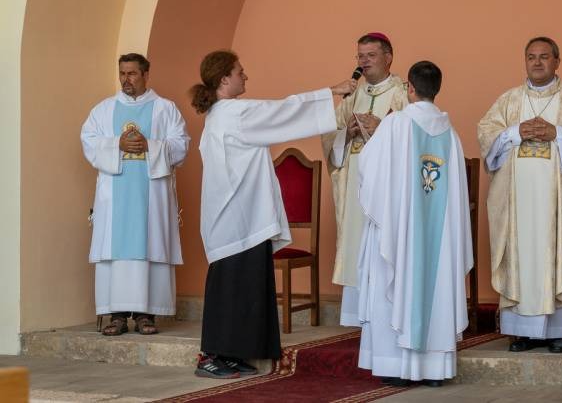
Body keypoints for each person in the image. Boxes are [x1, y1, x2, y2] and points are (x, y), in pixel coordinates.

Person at [191, 50, 356, 378]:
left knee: (242, 287)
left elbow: (279, 111)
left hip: (239, 217)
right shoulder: (235, 113)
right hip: (239, 218)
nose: (245, 76)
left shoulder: (220, 114)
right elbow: (284, 110)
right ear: (224, 79)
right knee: (232, 287)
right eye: (239, 71)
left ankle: (232, 353)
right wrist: (332, 92)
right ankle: (210, 356)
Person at [477, 37, 562, 354]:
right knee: (521, 257)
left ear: (557, 61)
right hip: (516, 203)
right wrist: (515, 132)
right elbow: (486, 134)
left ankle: (558, 332)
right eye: (531, 57)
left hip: (559, 203)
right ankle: (521, 332)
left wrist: (557, 133)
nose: (537, 62)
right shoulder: (508, 101)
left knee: (559, 251)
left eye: (544, 56)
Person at [357, 61, 472, 387]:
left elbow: (368, 167)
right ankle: (434, 371)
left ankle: (397, 367)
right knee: (438, 285)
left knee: (394, 282)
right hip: (440, 237)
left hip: (401, 231)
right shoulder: (451, 134)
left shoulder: (395, 124)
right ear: (436, 89)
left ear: (409, 88)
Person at [80, 53, 189, 336]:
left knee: (149, 247)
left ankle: (145, 315)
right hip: (114, 197)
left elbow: (181, 145)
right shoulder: (104, 110)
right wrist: (116, 144)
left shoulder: (165, 109)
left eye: (132, 73)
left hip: (151, 196)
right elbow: (88, 142)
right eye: (122, 73)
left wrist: (150, 146)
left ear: (145, 75)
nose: (126, 79)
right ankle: (116, 316)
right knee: (115, 255)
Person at [321, 32, 407, 326]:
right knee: (355, 241)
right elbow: (329, 135)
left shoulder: (402, 94)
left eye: (371, 55)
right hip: (353, 180)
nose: (364, 61)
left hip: (385, 184)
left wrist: (381, 128)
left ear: (388, 57)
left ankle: (383, 314)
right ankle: (357, 317)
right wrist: (347, 133)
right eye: (360, 56)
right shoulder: (353, 95)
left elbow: (413, 137)